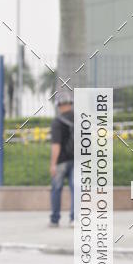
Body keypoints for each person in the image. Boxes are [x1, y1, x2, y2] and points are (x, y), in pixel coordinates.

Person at [49, 89, 75, 227]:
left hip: (61, 161)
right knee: (76, 189)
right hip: (78, 161)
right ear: (71, 103)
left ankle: (54, 219)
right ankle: (74, 219)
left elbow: (56, 145)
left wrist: (53, 164)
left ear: (59, 105)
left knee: (56, 189)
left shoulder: (57, 122)